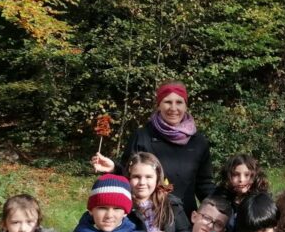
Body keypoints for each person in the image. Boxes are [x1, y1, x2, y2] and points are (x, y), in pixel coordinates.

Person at [91, 81, 215, 217]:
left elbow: (204, 184)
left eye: (179, 102)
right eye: (167, 102)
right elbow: (128, 175)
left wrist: (220, 208)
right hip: (146, 216)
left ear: (186, 105)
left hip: (184, 216)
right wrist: (114, 168)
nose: (173, 108)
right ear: (159, 105)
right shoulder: (142, 136)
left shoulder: (198, 142)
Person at [214, 154, 270, 232]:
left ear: (254, 176)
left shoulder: (260, 201)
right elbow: (211, 226)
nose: (241, 179)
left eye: (247, 175)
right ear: (228, 176)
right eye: (236, 175)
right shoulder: (219, 198)